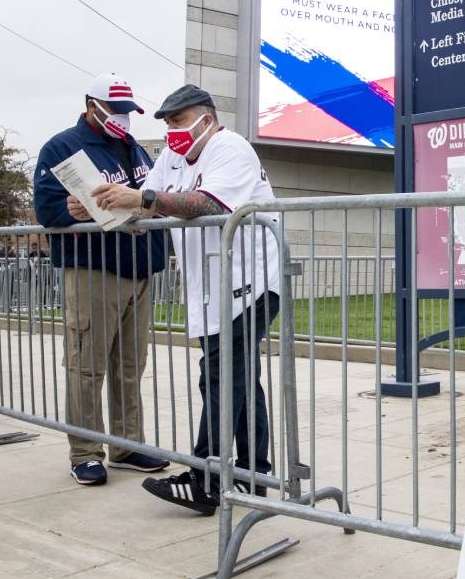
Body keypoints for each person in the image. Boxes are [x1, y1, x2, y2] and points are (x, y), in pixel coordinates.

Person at [88, 84, 281, 515]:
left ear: (206, 119)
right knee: (238, 378)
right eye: (168, 123)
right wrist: (99, 206)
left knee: (219, 374)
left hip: (250, 279)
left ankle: (206, 480)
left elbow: (206, 203)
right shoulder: (173, 157)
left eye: (178, 121)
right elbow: (144, 208)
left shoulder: (231, 148)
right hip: (212, 283)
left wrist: (145, 199)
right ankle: (253, 475)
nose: (172, 130)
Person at [33, 73, 169, 486]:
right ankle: (85, 450)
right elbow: (47, 210)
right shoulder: (62, 146)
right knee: (86, 364)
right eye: (116, 110)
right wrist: (69, 211)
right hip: (95, 267)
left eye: (129, 112)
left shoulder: (134, 149)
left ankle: (127, 445)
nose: (123, 119)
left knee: (131, 364)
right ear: (92, 104)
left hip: (139, 265)